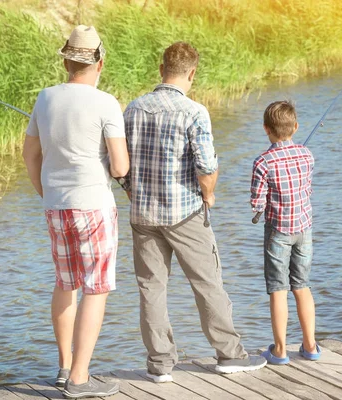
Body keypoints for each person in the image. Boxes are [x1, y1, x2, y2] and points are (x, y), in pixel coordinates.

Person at [123, 41, 267, 383]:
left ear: (161, 70)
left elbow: (120, 166)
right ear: (192, 73)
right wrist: (210, 193)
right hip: (185, 214)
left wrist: (132, 191)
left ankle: (159, 365)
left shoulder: (132, 108)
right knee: (207, 284)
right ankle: (230, 355)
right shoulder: (194, 112)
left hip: (142, 215)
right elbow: (206, 166)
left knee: (151, 289)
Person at [22, 25, 128, 398]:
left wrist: (46, 192)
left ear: (67, 60)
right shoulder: (107, 103)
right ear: (100, 61)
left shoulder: (45, 98)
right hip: (94, 207)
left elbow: (30, 155)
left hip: (57, 207)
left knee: (65, 283)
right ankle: (80, 379)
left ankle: (64, 368)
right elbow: (119, 166)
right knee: (95, 289)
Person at [250, 100, 320, 365]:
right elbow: (307, 190)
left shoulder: (263, 162)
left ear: (266, 129)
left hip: (278, 231)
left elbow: (257, 202)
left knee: (278, 288)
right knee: (301, 286)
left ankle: (280, 350)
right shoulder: (307, 154)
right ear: (296, 127)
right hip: (304, 229)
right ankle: (310, 345)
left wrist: (261, 205)